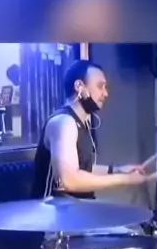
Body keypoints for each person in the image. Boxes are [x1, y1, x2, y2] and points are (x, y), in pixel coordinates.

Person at [31, 59, 147, 199]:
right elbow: (69, 181)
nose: (105, 93)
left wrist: (119, 170)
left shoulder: (81, 122)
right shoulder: (64, 123)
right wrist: (125, 179)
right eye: (100, 86)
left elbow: (83, 168)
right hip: (53, 210)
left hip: (74, 209)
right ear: (79, 86)